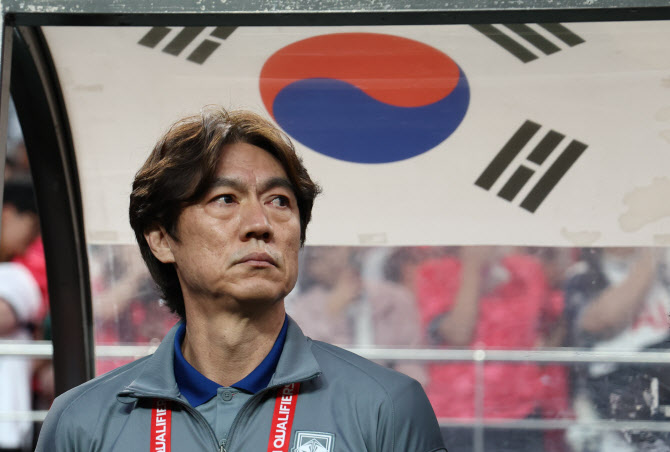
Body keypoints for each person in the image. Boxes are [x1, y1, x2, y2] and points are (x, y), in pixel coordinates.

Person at [35, 107, 446, 452]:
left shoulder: (386, 407)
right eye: (225, 199)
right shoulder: (82, 422)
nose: (260, 224)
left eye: (279, 201)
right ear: (161, 238)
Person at [415, 246, 553, 452]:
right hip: (456, 417)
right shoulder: (433, 272)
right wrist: (473, 267)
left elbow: (550, 325)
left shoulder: (528, 271)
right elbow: (458, 334)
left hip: (521, 414)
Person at [565, 248, 670, 452]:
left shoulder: (663, 272)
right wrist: (652, 255)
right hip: (620, 383)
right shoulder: (584, 274)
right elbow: (601, 322)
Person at [0, 179, 44, 451]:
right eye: (32, 224)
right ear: (8, 213)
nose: (34, 235)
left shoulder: (19, 277)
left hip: (7, 428)